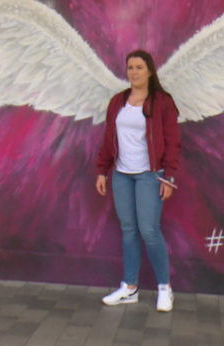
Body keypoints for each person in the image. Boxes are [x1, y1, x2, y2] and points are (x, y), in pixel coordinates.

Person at [95, 49, 181, 312]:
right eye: (130, 67)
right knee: (129, 230)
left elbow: (173, 142)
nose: (134, 72)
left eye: (139, 67)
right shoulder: (118, 102)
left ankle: (164, 288)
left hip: (149, 175)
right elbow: (109, 137)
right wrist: (102, 170)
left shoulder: (162, 102)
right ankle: (130, 288)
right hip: (122, 175)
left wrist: (169, 177)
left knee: (149, 230)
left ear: (150, 71)